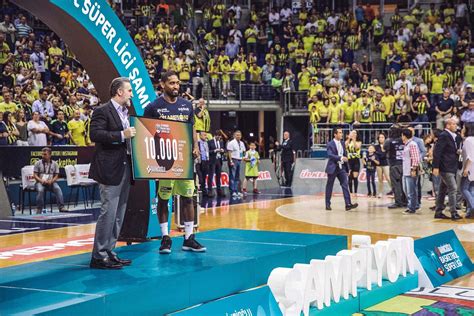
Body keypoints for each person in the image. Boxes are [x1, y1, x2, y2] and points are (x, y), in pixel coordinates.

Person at [144, 71, 205, 254]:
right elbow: (146, 131)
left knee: (188, 197)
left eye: (177, 83)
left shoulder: (187, 106)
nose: (176, 86)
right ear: (162, 85)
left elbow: (192, 128)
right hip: (164, 161)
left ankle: (188, 238)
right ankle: (165, 237)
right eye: (171, 83)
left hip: (184, 160)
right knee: (164, 198)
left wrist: (195, 147)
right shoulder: (153, 107)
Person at [89, 77, 136, 269]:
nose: (132, 94)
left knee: (118, 213)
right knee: (108, 212)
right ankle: (98, 256)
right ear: (119, 92)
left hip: (125, 167)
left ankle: (109, 250)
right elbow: (95, 135)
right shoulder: (102, 111)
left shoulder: (126, 112)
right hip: (109, 169)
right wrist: (120, 135)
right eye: (130, 90)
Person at [432, 118, 462, 220]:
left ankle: (438, 211)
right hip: (445, 166)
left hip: (451, 166)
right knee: (453, 188)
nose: (456, 126)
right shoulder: (444, 135)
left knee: (442, 189)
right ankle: (454, 212)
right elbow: (437, 152)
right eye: (453, 124)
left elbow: (449, 150)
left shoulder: (453, 136)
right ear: (448, 125)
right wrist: (435, 167)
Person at [325, 127, 358, 211]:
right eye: (339, 133)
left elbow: (345, 155)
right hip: (333, 167)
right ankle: (327, 204)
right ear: (335, 134)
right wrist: (340, 158)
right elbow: (330, 155)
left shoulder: (343, 143)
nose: (341, 134)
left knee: (345, 185)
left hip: (341, 168)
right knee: (329, 186)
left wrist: (348, 168)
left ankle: (348, 204)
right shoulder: (330, 144)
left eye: (341, 132)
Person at [33, 147, 66, 214]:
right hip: (40, 182)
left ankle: (61, 207)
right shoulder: (38, 163)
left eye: (45, 154)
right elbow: (35, 175)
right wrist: (41, 180)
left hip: (51, 182)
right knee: (40, 190)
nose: (43, 156)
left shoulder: (55, 164)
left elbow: (56, 175)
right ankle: (39, 208)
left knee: (57, 188)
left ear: (50, 155)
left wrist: (52, 181)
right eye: (42, 154)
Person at [384, 126, 407, 208]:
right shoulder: (403, 140)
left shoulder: (389, 141)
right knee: (403, 183)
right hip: (404, 164)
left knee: (396, 184)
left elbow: (384, 148)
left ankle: (398, 202)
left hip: (394, 164)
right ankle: (405, 201)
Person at [401, 129, 420, 215]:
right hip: (405, 170)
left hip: (410, 171)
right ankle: (413, 205)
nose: (401, 137)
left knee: (411, 190)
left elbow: (415, 157)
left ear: (404, 136)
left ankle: (412, 207)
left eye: (402, 135)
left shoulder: (412, 144)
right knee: (407, 190)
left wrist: (413, 169)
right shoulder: (407, 144)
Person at [227, 130, 246, 198]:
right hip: (233, 160)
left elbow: (243, 151)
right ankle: (232, 191)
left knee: (237, 176)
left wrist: (243, 157)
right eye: (237, 135)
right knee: (232, 176)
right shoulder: (231, 143)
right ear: (234, 135)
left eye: (239, 135)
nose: (238, 136)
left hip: (239, 160)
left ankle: (236, 190)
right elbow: (229, 152)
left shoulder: (241, 143)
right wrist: (231, 161)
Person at [207, 131, 225, 197]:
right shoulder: (210, 142)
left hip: (219, 160)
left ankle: (219, 191)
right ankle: (210, 191)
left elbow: (224, 149)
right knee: (211, 176)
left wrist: (222, 151)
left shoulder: (221, 142)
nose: (219, 137)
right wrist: (215, 150)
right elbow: (208, 151)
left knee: (218, 176)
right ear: (215, 135)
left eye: (220, 136)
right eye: (218, 136)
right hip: (212, 161)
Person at [375, 133, 390, 197]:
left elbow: (384, 155)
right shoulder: (376, 146)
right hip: (378, 164)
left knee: (388, 178)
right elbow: (376, 155)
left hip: (386, 164)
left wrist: (378, 153)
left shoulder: (387, 146)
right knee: (380, 179)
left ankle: (394, 190)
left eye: (382, 137)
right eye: (379, 137)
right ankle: (380, 192)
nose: (380, 138)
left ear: (385, 138)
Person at [346, 130, 361, 195]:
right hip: (349, 160)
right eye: (352, 133)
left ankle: (355, 192)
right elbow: (345, 146)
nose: (353, 134)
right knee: (349, 177)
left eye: (355, 133)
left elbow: (357, 147)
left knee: (355, 177)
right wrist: (349, 138)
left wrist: (354, 140)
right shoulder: (348, 141)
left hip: (356, 160)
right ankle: (350, 192)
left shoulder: (359, 142)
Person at [196, 131, 210, 196]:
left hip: (205, 161)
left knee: (204, 177)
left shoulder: (206, 143)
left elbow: (207, 151)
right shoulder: (197, 143)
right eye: (204, 135)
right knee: (200, 177)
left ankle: (204, 192)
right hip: (199, 162)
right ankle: (199, 188)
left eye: (206, 135)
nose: (205, 136)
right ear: (200, 136)